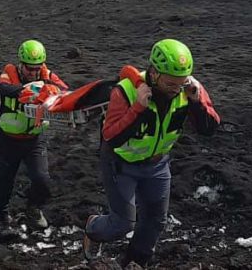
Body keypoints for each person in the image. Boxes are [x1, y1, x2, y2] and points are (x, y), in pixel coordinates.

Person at [82, 39, 221, 266]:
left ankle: (134, 262)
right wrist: (138, 109)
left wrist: (196, 103)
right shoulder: (125, 92)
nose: (176, 89)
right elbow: (111, 137)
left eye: (180, 83)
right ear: (154, 73)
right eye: (170, 84)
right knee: (122, 223)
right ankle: (93, 229)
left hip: (157, 165)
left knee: (155, 221)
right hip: (121, 163)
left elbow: (209, 129)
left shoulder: (190, 87)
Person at [0, 39, 69, 231]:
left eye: (37, 68)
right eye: (29, 69)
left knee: (42, 180)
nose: (33, 73)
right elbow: (3, 87)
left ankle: (33, 208)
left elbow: (65, 91)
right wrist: (29, 90)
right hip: (9, 139)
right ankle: (0, 215)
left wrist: (51, 89)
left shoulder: (47, 75)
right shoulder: (9, 73)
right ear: (21, 64)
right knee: (5, 180)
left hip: (35, 139)